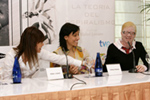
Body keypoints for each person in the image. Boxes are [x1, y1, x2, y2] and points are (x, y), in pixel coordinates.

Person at [2, 26, 84, 79]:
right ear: (32, 43)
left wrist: (82, 63)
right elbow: (7, 80)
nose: (43, 44)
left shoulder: (39, 53)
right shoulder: (11, 55)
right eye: (40, 42)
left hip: (29, 89)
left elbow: (60, 59)